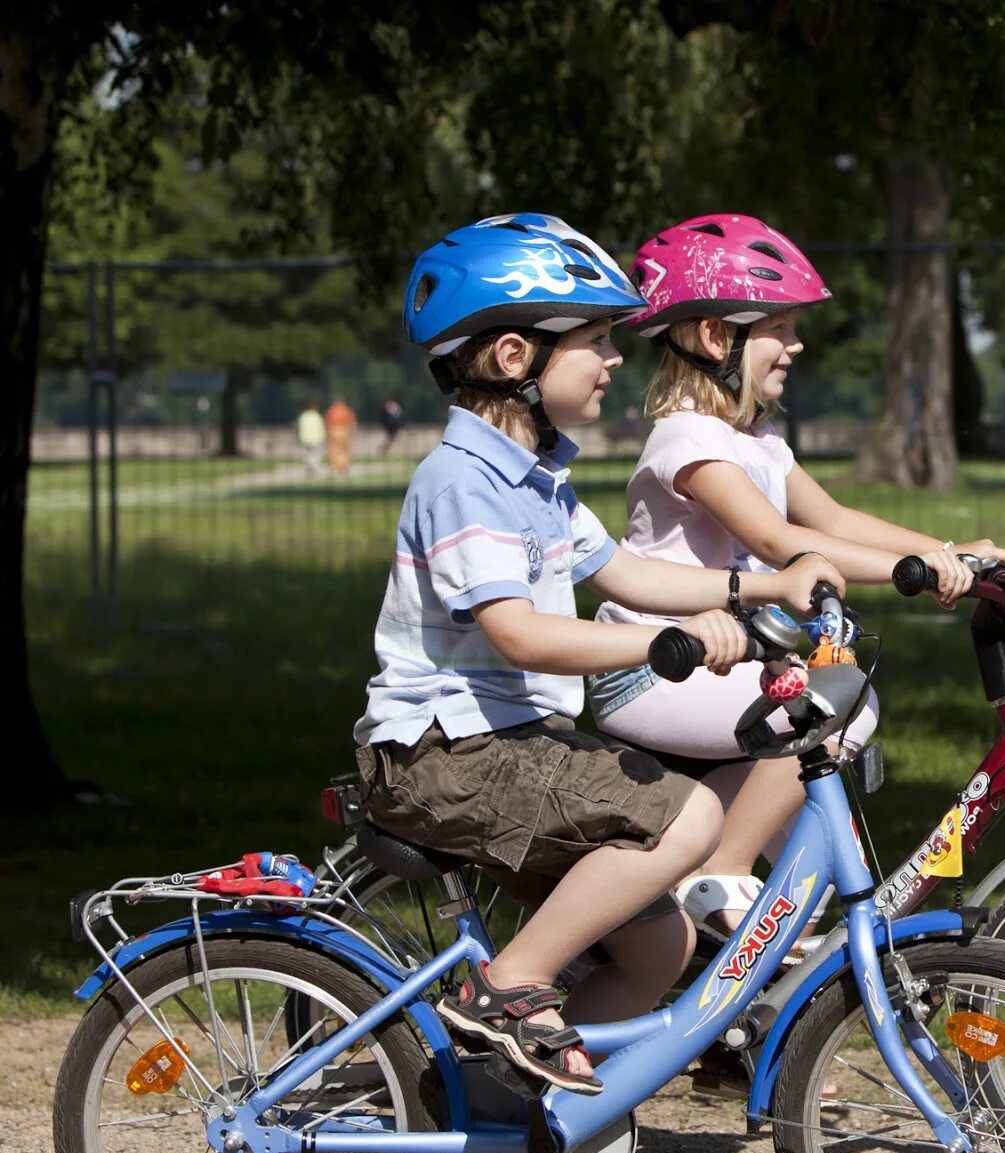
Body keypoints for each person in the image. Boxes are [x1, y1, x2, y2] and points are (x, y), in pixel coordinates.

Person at [353, 213, 843, 1096]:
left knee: (662, 941)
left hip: (507, 742)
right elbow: (522, 633)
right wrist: (667, 647)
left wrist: (760, 589)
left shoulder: (536, 475)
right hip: (442, 754)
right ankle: (504, 986)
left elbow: (622, 568)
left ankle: (529, 1116)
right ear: (516, 359)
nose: (617, 359)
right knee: (691, 817)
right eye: (594, 342)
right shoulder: (464, 478)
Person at [589, 213, 1005, 946]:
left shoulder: (759, 443)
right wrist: (912, 576)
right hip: (653, 670)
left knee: (804, 890)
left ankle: (749, 1024)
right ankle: (715, 865)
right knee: (841, 702)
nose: (797, 343)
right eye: (778, 327)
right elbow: (778, 539)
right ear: (719, 338)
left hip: (723, 667)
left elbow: (837, 520)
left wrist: (950, 553)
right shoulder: (687, 440)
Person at [325, 396, 356, 474]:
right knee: (344, 449)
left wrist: (327, 432)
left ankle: (334, 466)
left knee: (333, 449)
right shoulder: (346, 409)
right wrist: (352, 432)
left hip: (333, 431)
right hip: (344, 431)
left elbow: (327, 422)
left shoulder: (331, 410)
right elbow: (351, 421)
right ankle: (344, 466)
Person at [295, 400, 325, 473]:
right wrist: (323, 437)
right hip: (316, 438)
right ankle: (313, 466)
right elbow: (321, 427)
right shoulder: (317, 416)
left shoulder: (303, 416)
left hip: (305, 438)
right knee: (315, 454)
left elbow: (298, 427)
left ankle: (310, 466)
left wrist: (298, 437)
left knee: (307, 454)